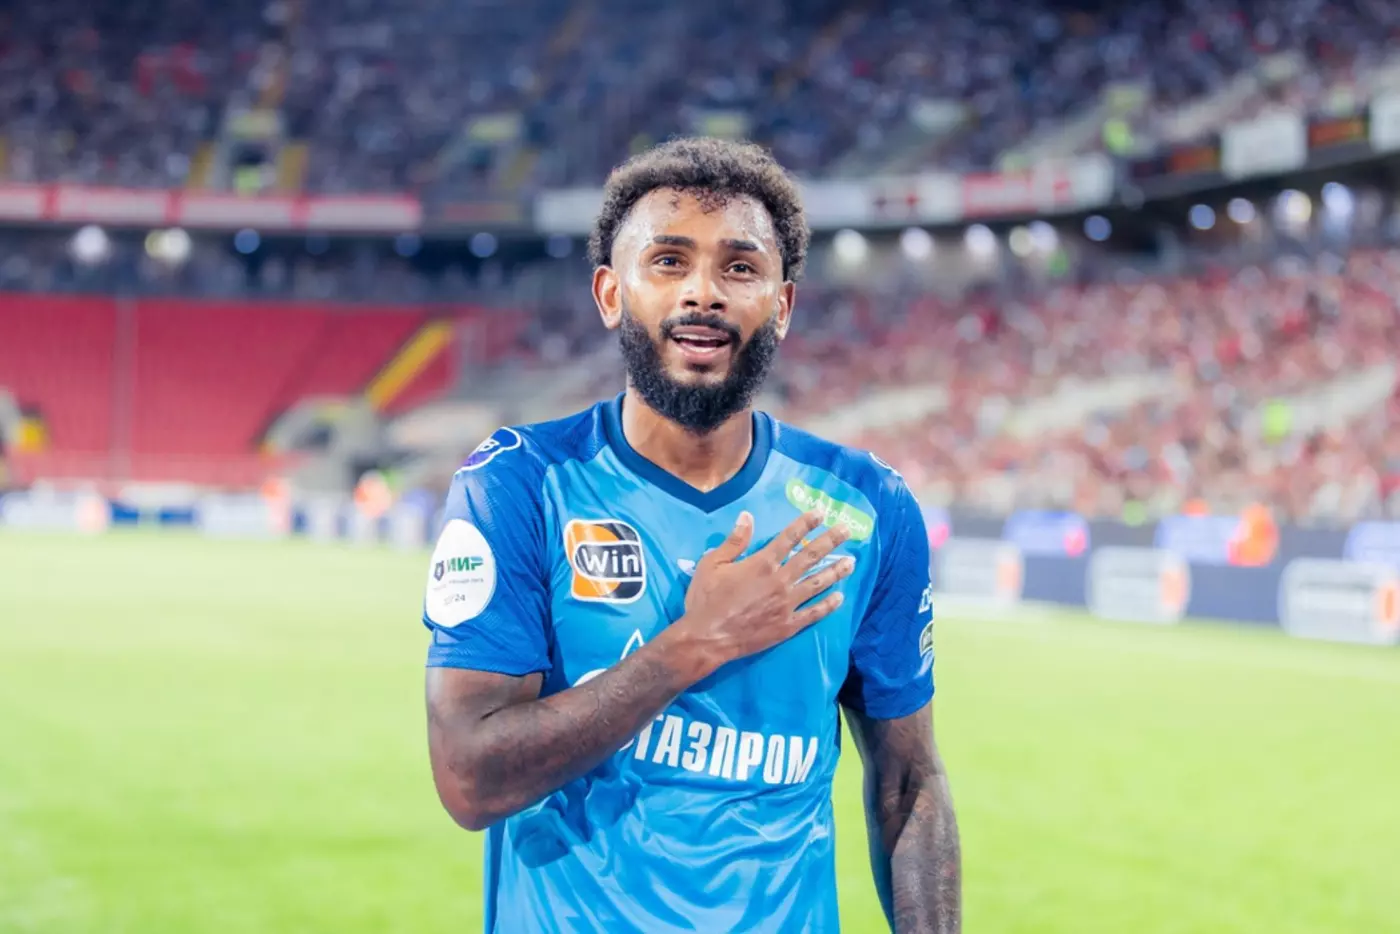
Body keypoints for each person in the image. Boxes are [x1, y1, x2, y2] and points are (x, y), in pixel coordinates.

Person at [422, 137, 960, 933]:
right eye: (668, 261)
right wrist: (693, 646)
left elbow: (908, 783)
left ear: (782, 304)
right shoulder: (519, 485)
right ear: (611, 293)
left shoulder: (866, 507)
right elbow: (470, 779)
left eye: (740, 267)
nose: (703, 292)